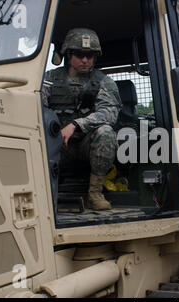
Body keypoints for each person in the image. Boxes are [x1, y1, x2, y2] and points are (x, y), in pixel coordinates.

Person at [41, 28, 122, 211]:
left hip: (86, 146)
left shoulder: (103, 81)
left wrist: (77, 124)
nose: (86, 60)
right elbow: (36, 108)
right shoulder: (49, 80)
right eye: (79, 54)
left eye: (90, 55)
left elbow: (109, 112)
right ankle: (42, 192)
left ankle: (94, 194)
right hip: (56, 146)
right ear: (69, 54)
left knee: (106, 133)